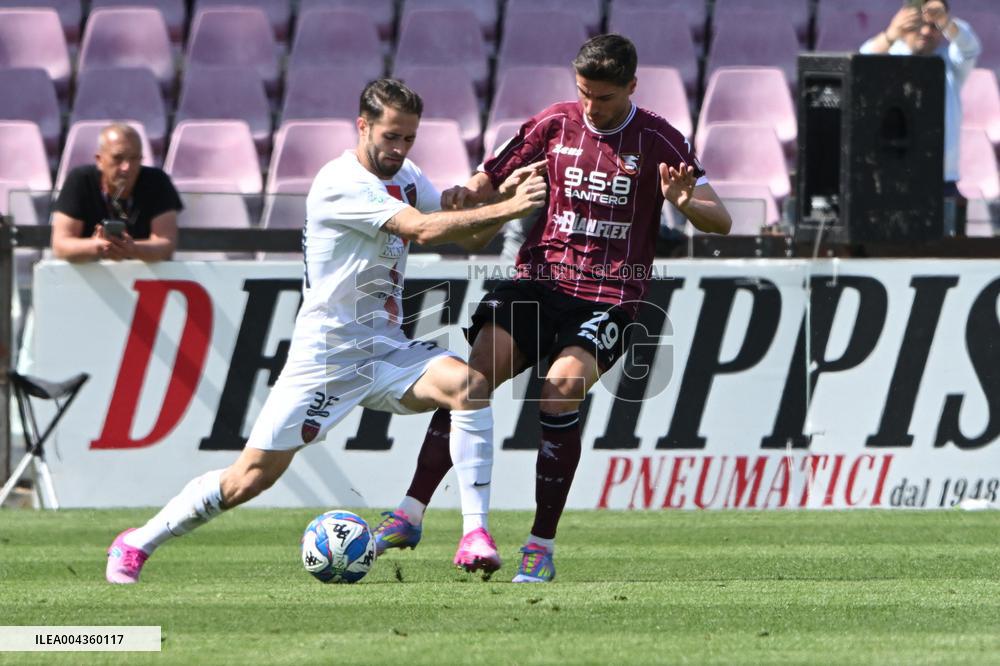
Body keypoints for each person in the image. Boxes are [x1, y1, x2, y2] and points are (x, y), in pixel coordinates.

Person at [105, 79, 548, 583]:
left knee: (468, 386)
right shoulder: (341, 181)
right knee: (250, 478)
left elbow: (467, 236)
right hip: (326, 356)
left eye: (409, 138)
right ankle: (137, 541)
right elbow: (423, 230)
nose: (399, 149)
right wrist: (509, 207)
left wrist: (507, 197)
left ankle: (475, 535)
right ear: (363, 126)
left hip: (383, 349)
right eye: (390, 136)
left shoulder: (406, 175)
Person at [373, 34, 732, 582]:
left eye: (605, 97)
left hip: (611, 294)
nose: (592, 107)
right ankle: (411, 511)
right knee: (471, 377)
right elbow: (490, 172)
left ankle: (540, 545)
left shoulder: (661, 139)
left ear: (632, 87)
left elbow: (720, 220)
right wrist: (471, 192)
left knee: (561, 388)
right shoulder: (556, 123)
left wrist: (686, 203)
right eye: (584, 93)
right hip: (539, 281)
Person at [861, 0, 981, 231]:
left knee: (948, 257)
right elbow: (859, 64)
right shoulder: (887, 56)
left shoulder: (950, 63)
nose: (926, 32)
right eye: (920, 24)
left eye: (935, 27)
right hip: (894, 183)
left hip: (942, 183)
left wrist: (947, 23)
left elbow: (969, 47)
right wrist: (890, 34)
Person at [51, 123, 181, 261]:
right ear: (99, 160)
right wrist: (96, 246)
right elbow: (60, 245)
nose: (126, 167)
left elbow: (166, 244)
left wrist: (132, 249)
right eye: (118, 158)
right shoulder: (80, 179)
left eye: (134, 158)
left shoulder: (157, 181)